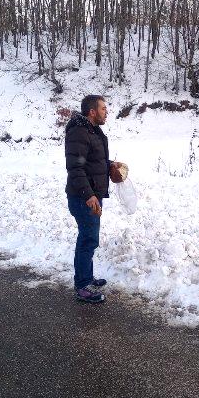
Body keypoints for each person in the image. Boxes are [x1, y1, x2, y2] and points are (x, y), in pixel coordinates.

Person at [64, 95, 123, 303]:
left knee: (89, 237)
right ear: (92, 112)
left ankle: (86, 277)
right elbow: (75, 167)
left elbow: (93, 160)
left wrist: (110, 165)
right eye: (103, 108)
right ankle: (82, 286)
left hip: (92, 195)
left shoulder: (92, 130)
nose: (106, 112)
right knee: (88, 239)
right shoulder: (79, 132)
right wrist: (89, 195)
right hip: (83, 197)